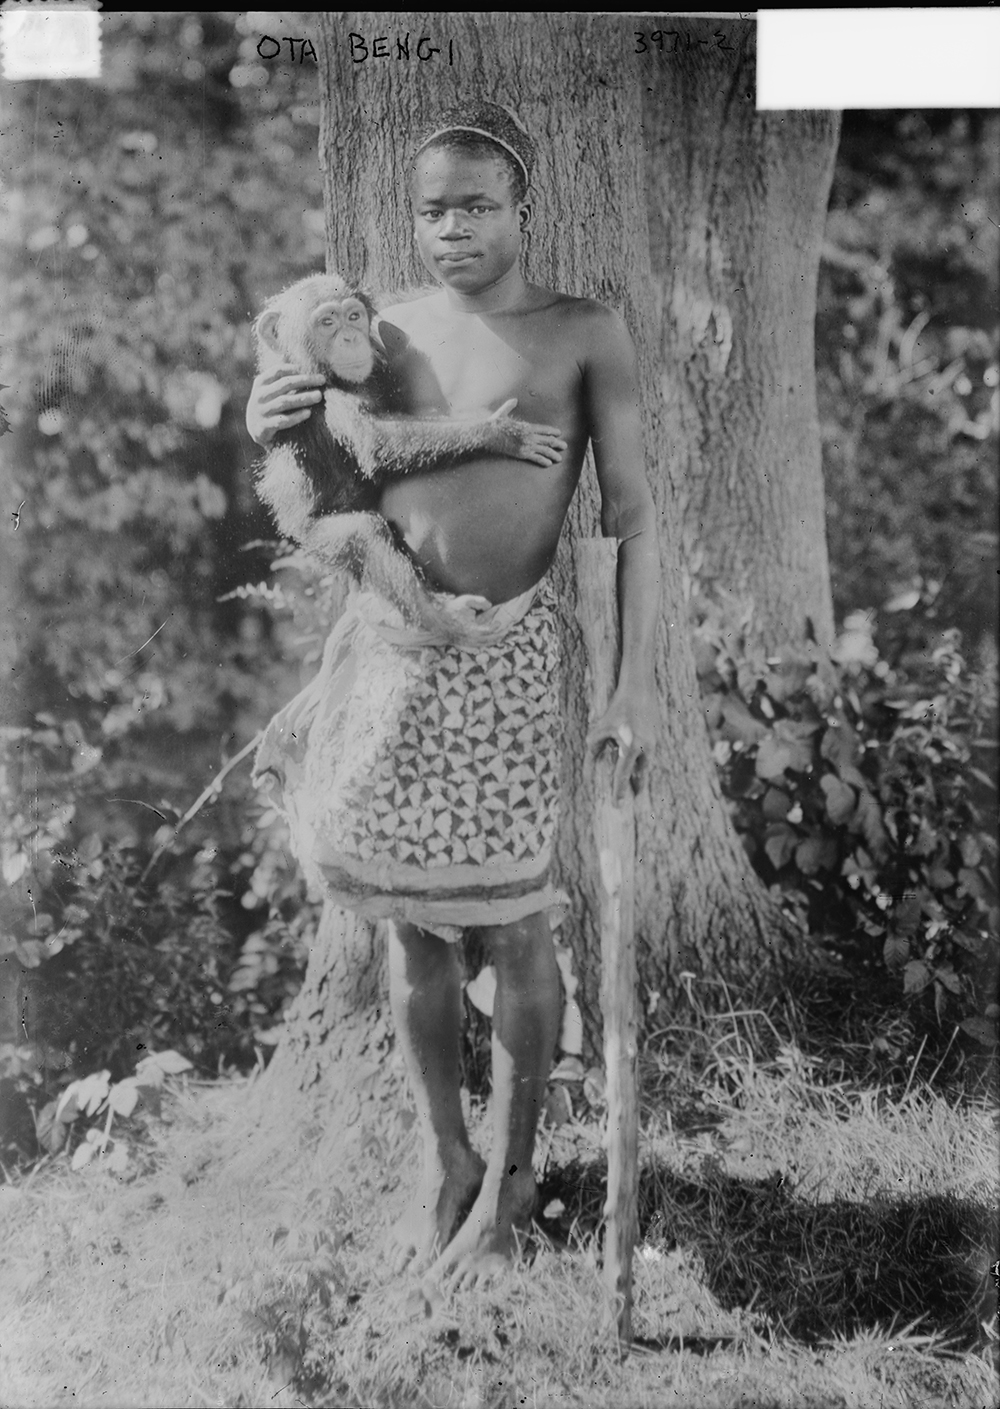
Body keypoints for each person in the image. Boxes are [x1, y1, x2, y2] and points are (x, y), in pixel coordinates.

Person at [246, 101, 660, 1291]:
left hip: (513, 658)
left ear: (521, 208)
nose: (452, 230)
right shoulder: (385, 329)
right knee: (414, 925)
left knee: (515, 919)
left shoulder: (582, 331)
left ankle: (515, 1183)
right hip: (396, 648)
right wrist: (274, 409)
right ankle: (446, 1159)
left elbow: (632, 517)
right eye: (432, 210)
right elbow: (315, 442)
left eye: (476, 206)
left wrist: (632, 685)